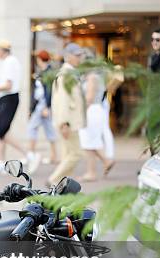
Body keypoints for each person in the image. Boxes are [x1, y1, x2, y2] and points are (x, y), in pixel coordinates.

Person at [0, 40, 27, 175]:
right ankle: (1, 162)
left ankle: (27, 153)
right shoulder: (3, 62)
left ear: (3, 50)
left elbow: (8, 85)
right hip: (3, 98)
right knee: (1, 131)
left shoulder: (11, 61)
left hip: (10, 98)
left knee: (2, 131)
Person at [47, 43, 86, 186]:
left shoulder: (69, 73)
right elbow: (62, 100)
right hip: (68, 122)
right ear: (68, 56)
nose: (80, 58)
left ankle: (62, 187)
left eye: (80, 55)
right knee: (76, 154)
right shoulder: (66, 75)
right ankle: (54, 179)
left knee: (67, 155)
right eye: (77, 55)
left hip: (68, 122)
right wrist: (64, 123)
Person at [78, 49, 115, 182]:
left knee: (89, 142)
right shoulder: (95, 75)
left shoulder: (92, 77)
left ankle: (94, 170)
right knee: (90, 142)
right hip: (95, 110)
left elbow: (89, 97)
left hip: (91, 110)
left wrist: (81, 112)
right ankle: (102, 164)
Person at [26, 49, 57, 173]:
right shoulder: (43, 72)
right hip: (40, 105)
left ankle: (31, 154)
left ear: (40, 59)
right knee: (48, 129)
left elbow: (49, 91)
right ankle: (53, 156)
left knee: (32, 128)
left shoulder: (49, 72)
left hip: (43, 106)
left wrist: (46, 107)